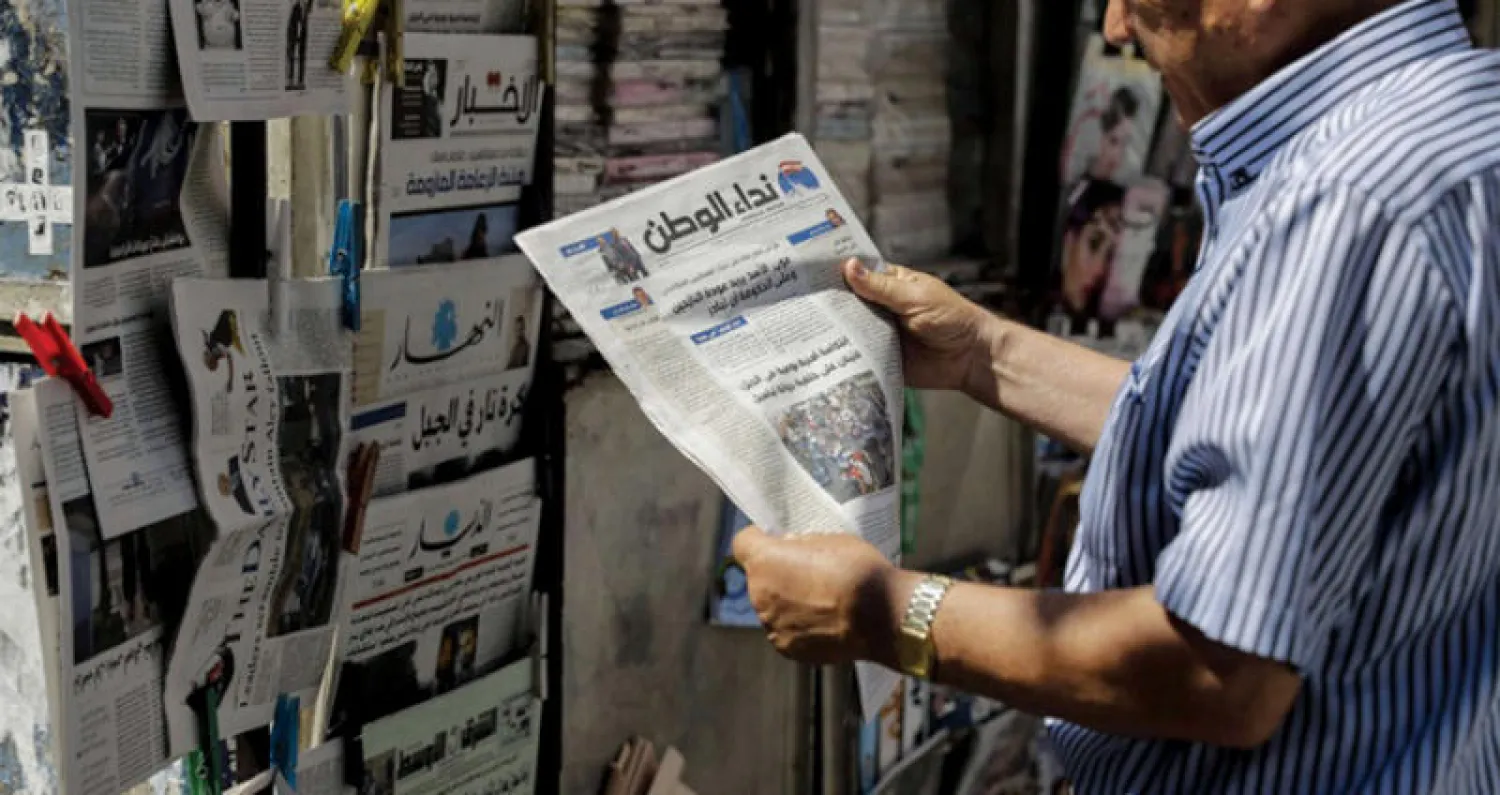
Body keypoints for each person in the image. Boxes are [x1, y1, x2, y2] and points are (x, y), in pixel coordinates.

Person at [733, 1, 1500, 792]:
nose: (1117, 27)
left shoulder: (1345, 198)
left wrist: (880, 612)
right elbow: (1299, 445)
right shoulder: (1464, 120)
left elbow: (1217, 668)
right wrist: (985, 353)